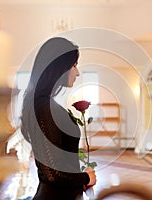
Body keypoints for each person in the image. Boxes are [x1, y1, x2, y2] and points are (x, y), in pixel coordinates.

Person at [20, 37, 97, 200]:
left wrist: (79, 178)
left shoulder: (43, 104)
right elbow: (53, 173)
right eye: (74, 65)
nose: (77, 72)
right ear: (59, 67)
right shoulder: (44, 106)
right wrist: (85, 177)